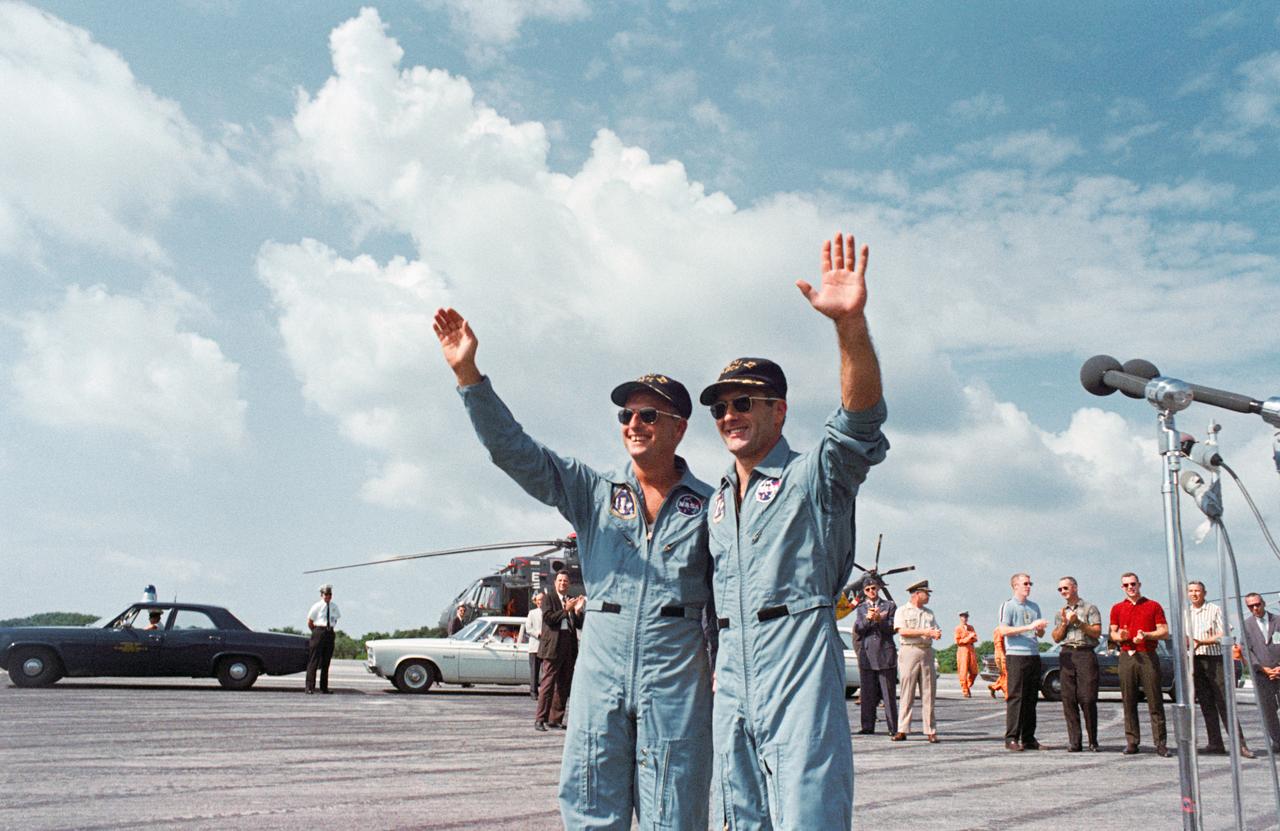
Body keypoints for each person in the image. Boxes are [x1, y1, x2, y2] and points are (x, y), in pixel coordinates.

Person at [434, 308, 715, 830]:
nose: (633, 424)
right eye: (626, 416)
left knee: (675, 813)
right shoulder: (593, 491)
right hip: (601, 672)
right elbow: (516, 452)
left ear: (678, 426)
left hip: (676, 677)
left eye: (648, 416)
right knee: (589, 807)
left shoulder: (713, 507)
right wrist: (468, 377)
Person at [703, 232, 889, 829]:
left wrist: (849, 326)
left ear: (778, 410)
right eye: (720, 407)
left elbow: (860, 420)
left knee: (808, 814)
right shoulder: (714, 502)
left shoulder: (815, 475)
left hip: (798, 660)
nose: (729, 415)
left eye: (744, 403)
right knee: (736, 817)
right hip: (731, 672)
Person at [1188, 581, 1255, 757]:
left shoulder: (1214, 609)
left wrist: (1203, 641)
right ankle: (1215, 743)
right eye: (1191, 591)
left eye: (1197, 591)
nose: (1194, 594)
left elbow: (1225, 632)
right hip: (1195, 660)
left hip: (1214, 659)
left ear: (1204, 592)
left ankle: (1240, 745)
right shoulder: (1185, 612)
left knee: (1224, 702)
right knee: (1206, 703)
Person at [1109, 572, 1170, 756]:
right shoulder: (1117, 608)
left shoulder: (1153, 606)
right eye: (1126, 585)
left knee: (1155, 700)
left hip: (1147, 654)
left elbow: (1164, 631)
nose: (1130, 588)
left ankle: (1160, 743)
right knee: (1128, 700)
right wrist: (1121, 637)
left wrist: (1147, 635)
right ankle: (1132, 741)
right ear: (1122, 587)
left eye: (1133, 584)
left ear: (1139, 584)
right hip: (1127, 655)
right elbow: (1112, 633)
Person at [996, 572, 1047, 751]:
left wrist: (1039, 629)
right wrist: (1029, 627)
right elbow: (1003, 630)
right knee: (1016, 696)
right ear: (1015, 586)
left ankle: (1028, 737)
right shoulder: (1008, 606)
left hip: (1033, 654)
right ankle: (1011, 738)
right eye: (1025, 583)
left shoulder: (1034, 607)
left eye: (1029, 583)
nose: (1028, 586)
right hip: (1016, 654)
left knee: (1031, 698)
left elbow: (1038, 634)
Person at [1051, 576, 1102, 752]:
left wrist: (1078, 623)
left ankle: (1093, 739)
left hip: (1085, 652)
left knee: (1087, 698)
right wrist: (1064, 624)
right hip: (1067, 653)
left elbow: (1096, 632)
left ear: (1075, 588)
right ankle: (1075, 741)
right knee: (1068, 699)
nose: (1063, 592)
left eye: (1065, 588)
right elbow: (1056, 637)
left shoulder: (1089, 608)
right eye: (1060, 589)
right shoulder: (1061, 612)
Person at [892, 580, 941, 743]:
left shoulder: (929, 613)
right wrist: (924, 631)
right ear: (916, 594)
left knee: (929, 692)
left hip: (926, 651)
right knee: (907, 691)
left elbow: (934, 629)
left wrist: (935, 633)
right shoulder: (902, 611)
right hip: (909, 651)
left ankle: (930, 730)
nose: (928, 596)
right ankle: (902, 729)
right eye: (926, 593)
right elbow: (903, 631)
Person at [536, 571, 584, 731]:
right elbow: (548, 619)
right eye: (560, 580)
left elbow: (578, 624)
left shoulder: (570, 599)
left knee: (564, 684)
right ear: (555, 583)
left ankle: (555, 719)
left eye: (566, 581)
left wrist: (576, 611)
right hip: (553, 646)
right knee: (547, 684)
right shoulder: (549, 598)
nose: (563, 583)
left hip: (568, 646)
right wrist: (566, 610)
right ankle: (540, 719)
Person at [854, 579, 898, 735]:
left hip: (885, 653)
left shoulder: (890, 606)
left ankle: (893, 727)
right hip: (867, 655)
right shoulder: (861, 608)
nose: (871, 591)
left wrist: (880, 621)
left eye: (873, 588)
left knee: (888, 693)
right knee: (867, 693)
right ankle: (867, 726)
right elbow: (858, 629)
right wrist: (868, 619)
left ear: (878, 588)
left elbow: (893, 628)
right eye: (868, 589)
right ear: (864, 592)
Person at [1240, 593, 1280, 753]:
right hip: (1262, 674)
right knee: (1268, 710)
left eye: (1257, 604)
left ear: (1263, 603)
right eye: (1251, 606)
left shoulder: (1277, 620)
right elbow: (1246, 650)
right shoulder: (1247, 625)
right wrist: (1262, 668)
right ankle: (1277, 741)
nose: (1255, 608)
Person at [306, 584, 340, 695]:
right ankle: (310, 687)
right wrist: (316, 632)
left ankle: (324, 687)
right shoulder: (317, 606)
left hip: (329, 632)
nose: (328, 596)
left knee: (326, 662)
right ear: (322, 595)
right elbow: (310, 621)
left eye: (329, 594)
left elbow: (336, 619)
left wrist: (329, 629)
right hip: (319, 631)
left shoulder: (334, 607)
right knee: (314, 661)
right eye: (326, 594)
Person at [954, 611, 978, 698]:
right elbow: (958, 641)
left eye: (966, 616)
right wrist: (968, 637)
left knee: (974, 671)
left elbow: (975, 638)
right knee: (963, 671)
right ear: (960, 617)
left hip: (971, 649)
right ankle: (965, 690)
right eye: (963, 616)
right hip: (962, 649)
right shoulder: (958, 628)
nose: (965, 618)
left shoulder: (971, 627)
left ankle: (967, 685)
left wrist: (970, 638)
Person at [525, 591, 543, 699]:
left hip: (546, 646)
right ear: (536, 602)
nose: (541, 602)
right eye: (539, 600)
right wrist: (538, 633)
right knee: (534, 671)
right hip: (535, 646)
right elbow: (528, 628)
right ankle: (533, 692)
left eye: (542, 600)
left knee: (546, 672)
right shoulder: (532, 613)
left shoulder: (548, 612)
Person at [988, 627, 1008, 700]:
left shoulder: (1008, 629)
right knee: (1006, 675)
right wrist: (1003, 657)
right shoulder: (999, 630)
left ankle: (994, 686)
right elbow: (999, 645)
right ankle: (1007, 694)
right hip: (1002, 656)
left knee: (1004, 676)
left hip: (1006, 655)